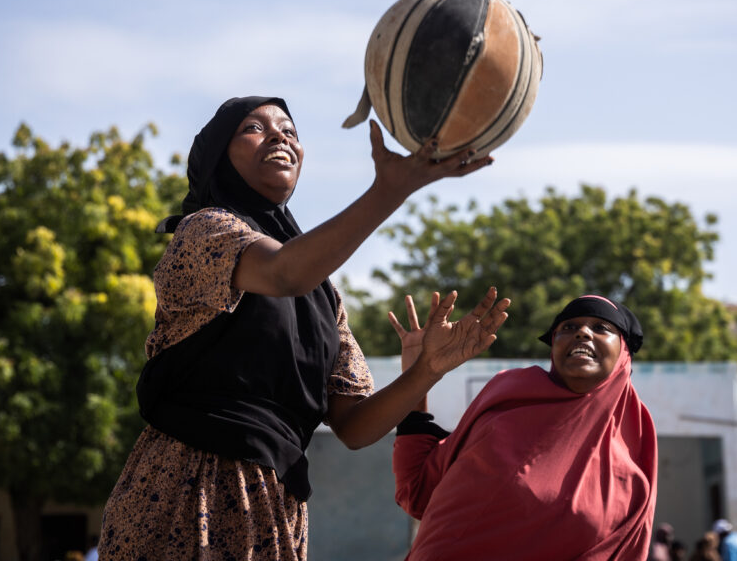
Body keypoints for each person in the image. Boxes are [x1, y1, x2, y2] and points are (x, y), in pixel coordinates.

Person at [98, 96, 510, 561]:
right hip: (190, 488)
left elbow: (353, 426)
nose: (279, 137)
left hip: (275, 504)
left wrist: (426, 372)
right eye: (253, 128)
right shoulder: (204, 231)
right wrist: (392, 189)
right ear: (219, 156)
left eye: (290, 131)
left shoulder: (325, 297)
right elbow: (283, 274)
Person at [391, 294, 658, 560]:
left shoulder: (633, 473)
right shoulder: (505, 400)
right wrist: (417, 372)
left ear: (624, 352)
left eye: (601, 327)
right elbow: (417, 491)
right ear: (553, 345)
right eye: (568, 327)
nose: (582, 333)